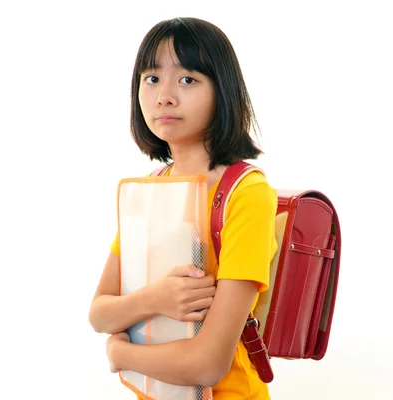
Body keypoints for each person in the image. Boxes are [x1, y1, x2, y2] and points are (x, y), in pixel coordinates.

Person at [88, 17, 278, 399]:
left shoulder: (247, 194)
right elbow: (100, 312)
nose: (164, 97)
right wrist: (154, 299)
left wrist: (121, 351)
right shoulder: (152, 190)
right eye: (152, 78)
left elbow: (208, 364)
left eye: (188, 79)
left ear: (222, 91)